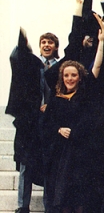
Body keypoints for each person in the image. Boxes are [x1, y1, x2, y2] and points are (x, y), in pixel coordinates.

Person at [42, 19, 104, 213]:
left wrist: (101, 42)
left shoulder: (86, 96)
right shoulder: (55, 99)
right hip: (60, 154)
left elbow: (96, 66)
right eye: (66, 75)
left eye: (74, 75)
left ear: (80, 77)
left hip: (81, 153)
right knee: (63, 199)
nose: (70, 79)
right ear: (62, 77)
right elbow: (46, 125)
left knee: (81, 198)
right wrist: (58, 129)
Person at [6, 29, 60, 213]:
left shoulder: (62, 66)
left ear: (56, 47)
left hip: (51, 122)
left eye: (50, 42)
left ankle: (49, 206)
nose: (46, 45)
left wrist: (50, 105)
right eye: (43, 42)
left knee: (49, 166)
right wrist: (23, 44)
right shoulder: (31, 64)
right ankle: (23, 206)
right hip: (30, 122)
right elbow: (15, 58)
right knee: (25, 165)